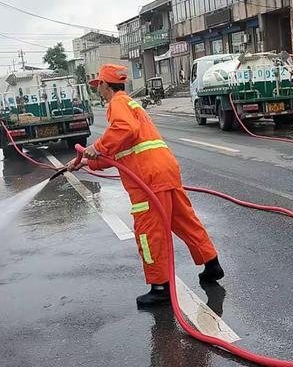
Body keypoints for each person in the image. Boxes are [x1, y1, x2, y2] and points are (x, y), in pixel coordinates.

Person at [67, 64, 223, 307]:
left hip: (147, 177)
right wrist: (86, 162)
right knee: (183, 220)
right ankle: (211, 264)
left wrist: (96, 148)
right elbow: (121, 150)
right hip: (165, 169)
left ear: (107, 86)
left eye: (99, 85)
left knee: (149, 232)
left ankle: (160, 287)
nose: (99, 90)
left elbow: (122, 131)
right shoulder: (131, 104)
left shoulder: (117, 103)